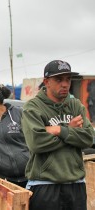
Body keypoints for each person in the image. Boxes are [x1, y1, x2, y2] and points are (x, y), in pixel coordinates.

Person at [21, 60, 95, 210]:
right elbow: (37, 143)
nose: (65, 84)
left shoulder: (75, 105)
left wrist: (60, 130)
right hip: (45, 184)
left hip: (76, 183)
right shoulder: (33, 107)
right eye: (59, 79)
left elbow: (88, 138)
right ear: (46, 82)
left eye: (68, 79)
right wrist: (71, 130)